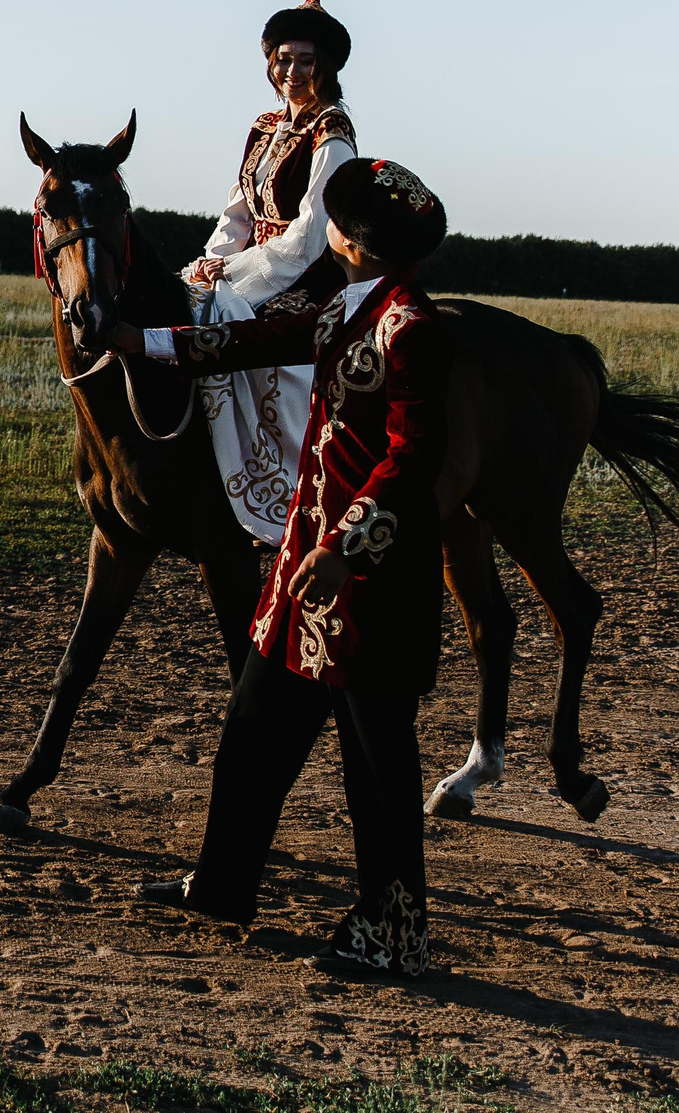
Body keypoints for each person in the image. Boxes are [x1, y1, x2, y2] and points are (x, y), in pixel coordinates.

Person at [111, 155, 452, 977]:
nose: (326, 231)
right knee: (252, 731)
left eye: (336, 223)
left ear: (357, 242)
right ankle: (222, 883)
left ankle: (395, 932)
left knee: (377, 767)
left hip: (369, 586)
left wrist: (345, 547)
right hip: (302, 581)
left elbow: (412, 458)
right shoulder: (344, 306)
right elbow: (248, 340)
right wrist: (146, 343)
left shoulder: (411, 327)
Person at [183, 0, 361, 547]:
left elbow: (311, 236)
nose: (291, 70)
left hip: (304, 277)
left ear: (326, 65)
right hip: (251, 266)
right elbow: (236, 211)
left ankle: (282, 485)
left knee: (250, 333)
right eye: (282, 59)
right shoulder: (262, 128)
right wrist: (211, 263)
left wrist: (233, 276)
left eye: (305, 60)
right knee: (193, 300)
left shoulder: (331, 134)